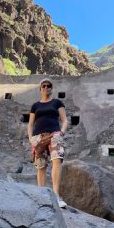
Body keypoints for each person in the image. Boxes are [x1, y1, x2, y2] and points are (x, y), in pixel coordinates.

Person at [27, 78, 68, 208]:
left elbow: (65, 120)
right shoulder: (35, 105)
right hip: (38, 137)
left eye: (49, 85)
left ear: (51, 88)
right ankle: (42, 196)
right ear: (40, 89)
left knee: (57, 159)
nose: (46, 87)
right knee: (41, 165)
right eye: (43, 86)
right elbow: (30, 124)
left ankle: (55, 194)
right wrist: (30, 138)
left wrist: (61, 132)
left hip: (54, 134)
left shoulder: (57, 103)